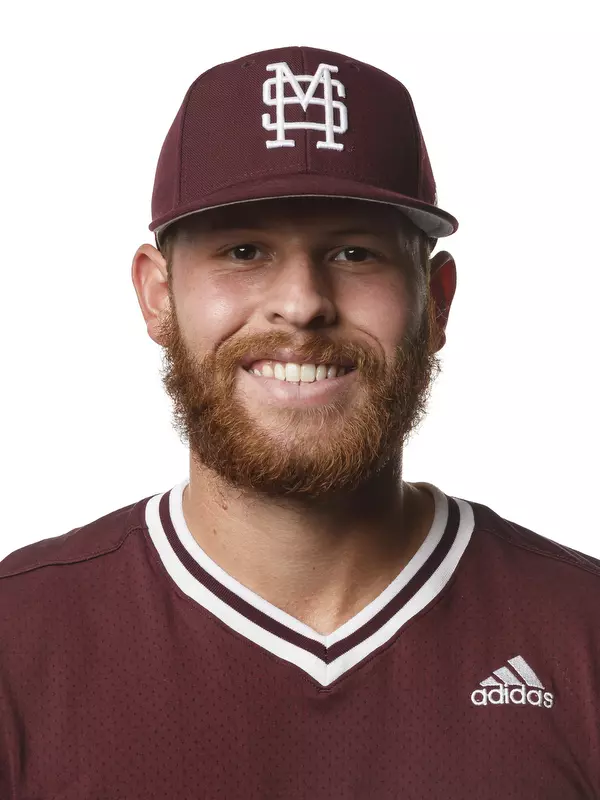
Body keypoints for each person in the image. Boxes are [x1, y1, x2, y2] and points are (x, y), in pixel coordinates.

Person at [1, 46, 599, 800]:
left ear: (437, 302)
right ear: (157, 296)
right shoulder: (19, 641)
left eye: (354, 252)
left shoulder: (581, 633)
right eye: (244, 251)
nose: (302, 303)